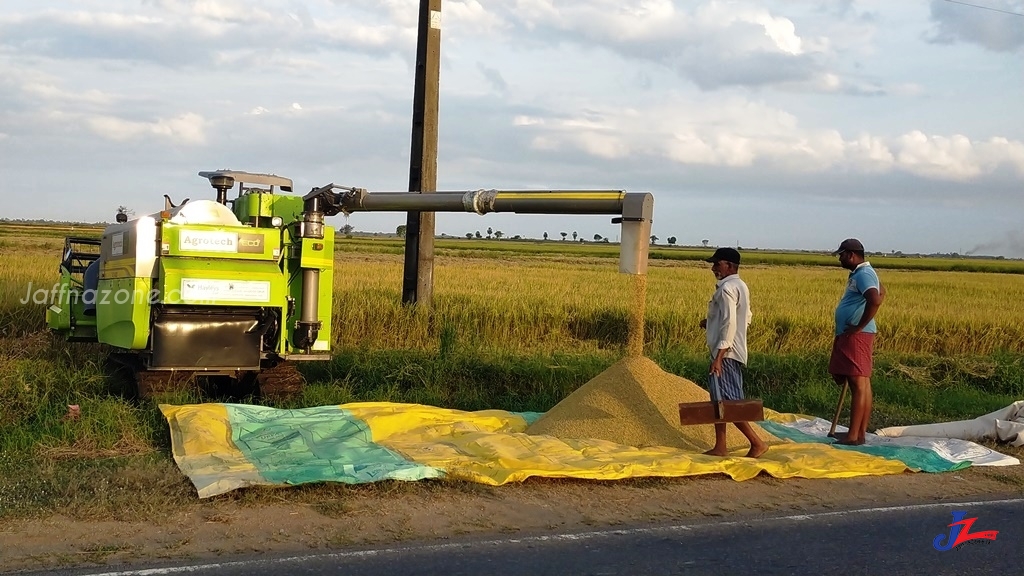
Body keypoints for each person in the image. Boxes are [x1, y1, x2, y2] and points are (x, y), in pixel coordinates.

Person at [699, 247, 767, 458]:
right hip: (727, 349)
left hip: (725, 354)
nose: (713, 268)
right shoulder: (740, 285)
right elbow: (745, 317)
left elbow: (729, 323)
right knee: (719, 400)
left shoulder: (728, 288)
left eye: (717, 264)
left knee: (728, 402)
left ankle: (757, 443)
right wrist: (710, 322)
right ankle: (721, 446)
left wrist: (720, 356)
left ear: (729, 265)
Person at [829, 238, 886, 446]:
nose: (840, 259)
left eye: (841, 255)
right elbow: (882, 291)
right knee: (861, 383)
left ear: (851, 255)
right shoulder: (862, 273)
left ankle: (854, 436)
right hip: (855, 334)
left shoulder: (863, 274)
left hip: (857, 336)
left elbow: (875, 299)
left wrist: (859, 326)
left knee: (858, 383)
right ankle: (859, 433)